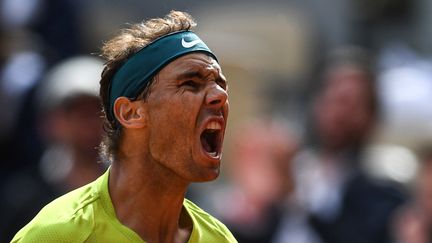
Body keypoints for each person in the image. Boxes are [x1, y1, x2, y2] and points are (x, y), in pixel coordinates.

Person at [12, 10, 236, 243]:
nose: (219, 95)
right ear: (130, 113)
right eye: (190, 83)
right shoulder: (55, 234)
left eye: (220, 84)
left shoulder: (221, 239)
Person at [288, 46, 405, 243]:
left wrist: (292, 200)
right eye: (331, 99)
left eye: (350, 103)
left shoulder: (385, 185)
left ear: (372, 116)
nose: (338, 113)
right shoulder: (295, 168)